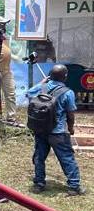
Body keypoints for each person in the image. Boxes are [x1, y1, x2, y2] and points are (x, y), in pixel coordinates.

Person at [27, 64, 83, 195]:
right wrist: (71, 128)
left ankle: (39, 184)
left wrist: (42, 83)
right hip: (58, 132)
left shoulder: (42, 87)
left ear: (50, 76)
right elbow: (70, 114)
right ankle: (74, 186)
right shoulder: (68, 92)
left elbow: (29, 93)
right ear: (65, 77)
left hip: (40, 129)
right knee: (67, 158)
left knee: (39, 157)